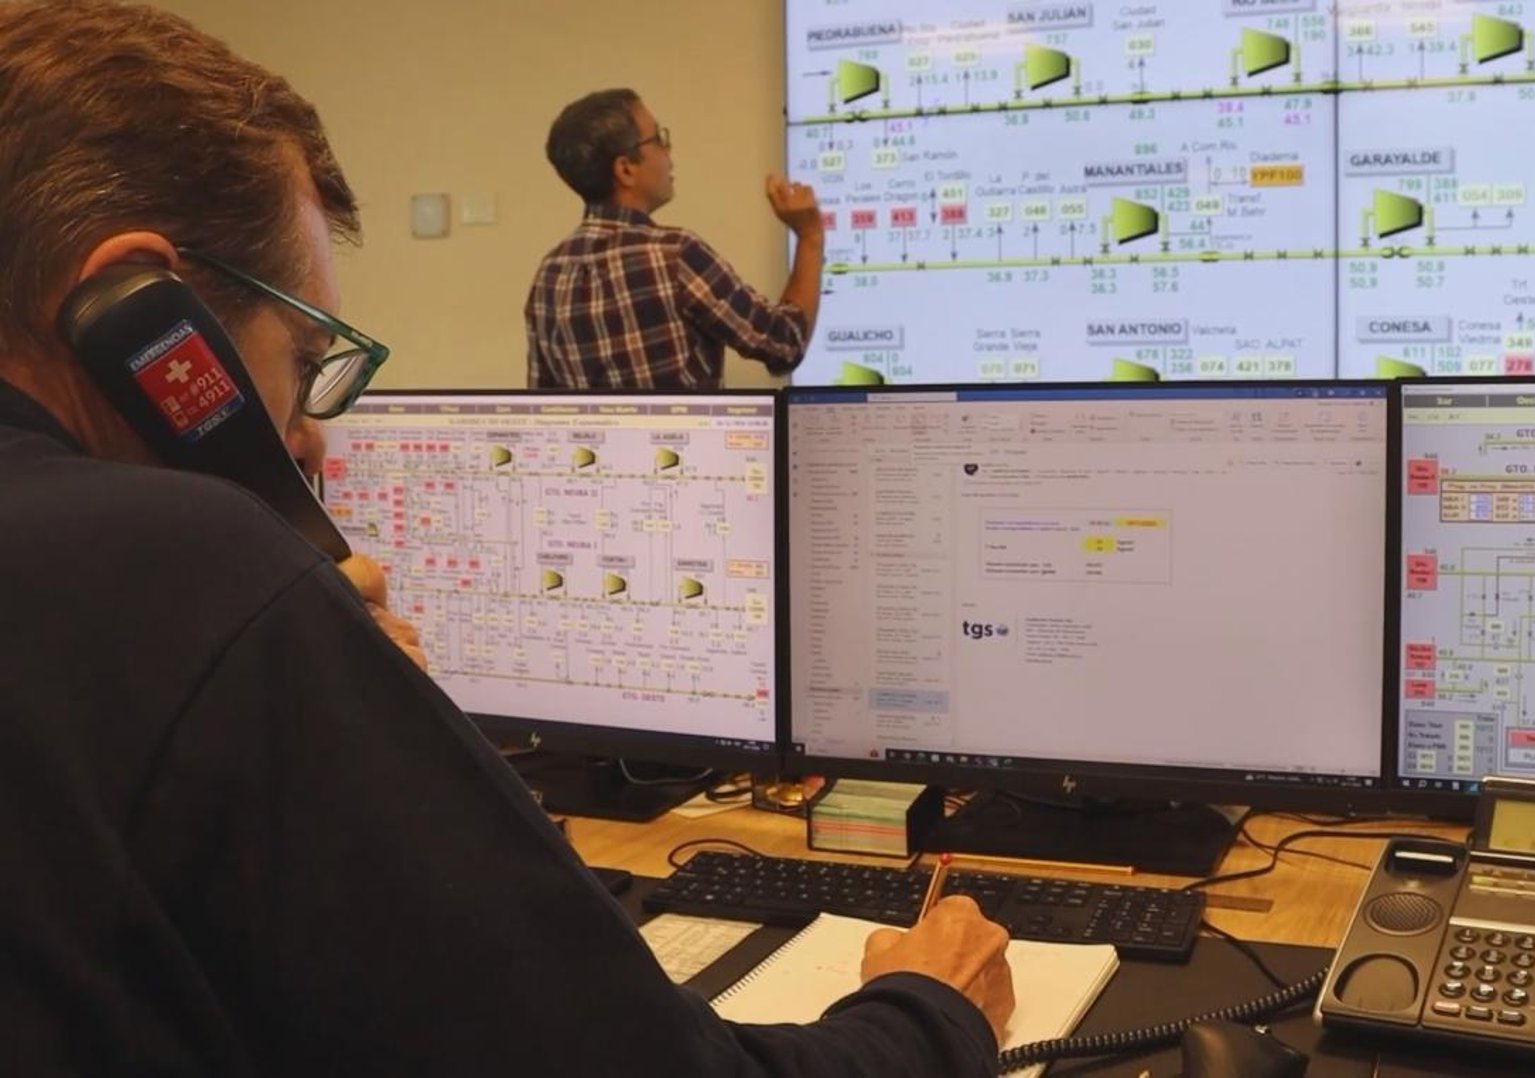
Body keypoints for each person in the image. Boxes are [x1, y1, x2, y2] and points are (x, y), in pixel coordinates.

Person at [0, 3, 1012, 1075]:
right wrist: (934, 1011)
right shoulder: (194, 572)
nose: (307, 435)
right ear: (138, 318)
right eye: (303, 355)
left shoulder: (549, 273)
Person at [526, 88, 825, 389]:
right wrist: (809, 236)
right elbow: (784, 345)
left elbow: (541, 405)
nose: (668, 151)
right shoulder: (672, 255)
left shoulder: (550, 273)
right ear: (626, 169)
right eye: (658, 139)